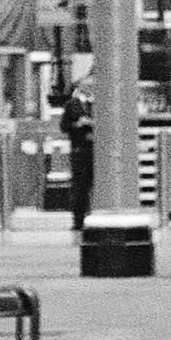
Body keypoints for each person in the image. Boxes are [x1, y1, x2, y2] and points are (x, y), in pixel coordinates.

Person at [60, 83, 95, 232]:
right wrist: (78, 124)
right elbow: (63, 126)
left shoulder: (94, 103)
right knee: (79, 186)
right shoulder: (71, 104)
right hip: (79, 148)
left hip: (92, 149)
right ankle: (78, 220)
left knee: (91, 183)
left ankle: (90, 214)